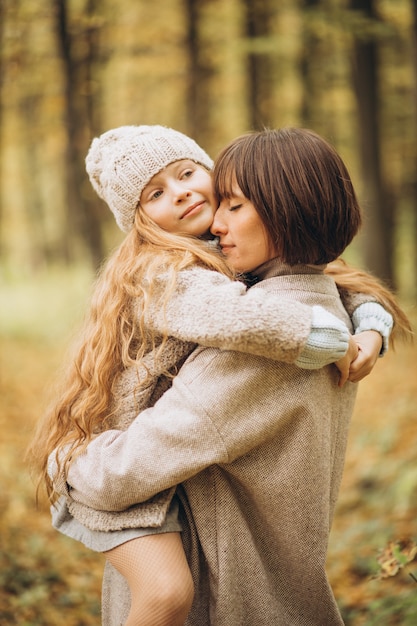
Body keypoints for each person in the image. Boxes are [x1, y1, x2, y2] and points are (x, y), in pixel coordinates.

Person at [40, 127, 412, 625]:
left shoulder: (243, 274)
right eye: (156, 193)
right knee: (165, 592)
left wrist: (372, 324)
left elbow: (336, 281)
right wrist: (68, 463)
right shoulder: (163, 275)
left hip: (142, 475)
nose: (185, 194)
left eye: (190, 173)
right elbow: (241, 319)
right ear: (140, 221)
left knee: (166, 595)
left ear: (281, 207)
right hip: (116, 449)